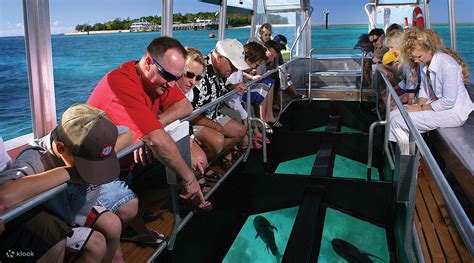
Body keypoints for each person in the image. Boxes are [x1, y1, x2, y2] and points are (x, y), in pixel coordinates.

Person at [88, 36, 212, 242]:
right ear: (147, 63)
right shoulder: (119, 84)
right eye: (168, 77)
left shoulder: (160, 81)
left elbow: (185, 106)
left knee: (178, 171)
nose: (172, 85)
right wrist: (190, 180)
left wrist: (153, 122)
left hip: (129, 164)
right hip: (99, 170)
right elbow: (156, 139)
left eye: (176, 78)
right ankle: (128, 224)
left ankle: (136, 218)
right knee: (133, 204)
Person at [0, 104, 133, 262]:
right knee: (96, 245)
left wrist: (97, 159)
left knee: (113, 225)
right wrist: (69, 173)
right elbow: (5, 195)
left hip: (74, 210)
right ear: (60, 148)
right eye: (87, 165)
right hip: (54, 217)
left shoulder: (96, 143)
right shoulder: (36, 158)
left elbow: (128, 134)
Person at [389, 28, 473, 141]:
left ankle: (407, 155)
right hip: (440, 106)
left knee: (398, 121)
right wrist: (417, 107)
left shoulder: (448, 66)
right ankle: (407, 150)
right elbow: (424, 89)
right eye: (413, 57)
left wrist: (419, 108)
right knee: (394, 112)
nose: (416, 61)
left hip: (454, 112)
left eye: (418, 56)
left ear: (430, 49)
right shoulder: (424, 63)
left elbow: (448, 102)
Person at [191, 39, 248, 165]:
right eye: (232, 66)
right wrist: (214, 126)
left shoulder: (221, 71)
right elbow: (188, 114)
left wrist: (232, 87)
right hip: (193, 121)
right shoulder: (199, 71)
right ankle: (198, 169)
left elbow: (215, 91)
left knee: (241, 131)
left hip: (212, 115)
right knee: (217, 141)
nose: (234, 70)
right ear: (219, 58)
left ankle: (209, 161)